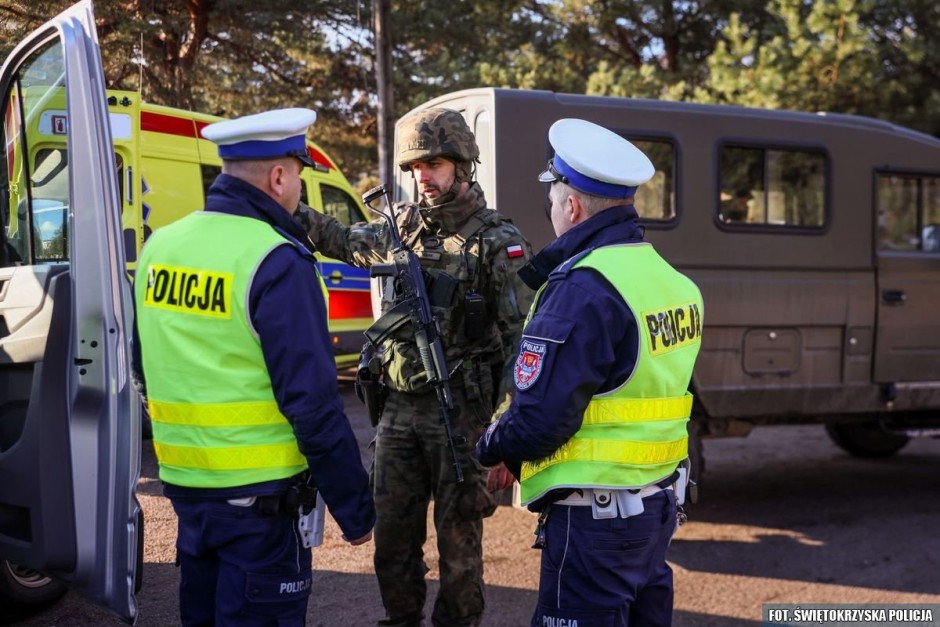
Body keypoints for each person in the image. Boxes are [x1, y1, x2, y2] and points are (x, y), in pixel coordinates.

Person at [132, 108, 375, 626]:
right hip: (260, 507)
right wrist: (355, 508)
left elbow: (143, 357)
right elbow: (312, 403)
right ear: (280, 176)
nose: (300, 195)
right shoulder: (276, 260)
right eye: (300, 179)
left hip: (186, 492)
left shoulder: (159, 248)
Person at [299, 107, 534, 627]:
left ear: (462, 164)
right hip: (399, 412)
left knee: (460, 552)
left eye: (433, 164)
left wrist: (505, 430)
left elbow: (523, 344)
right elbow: (341, 241)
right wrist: (288, 208)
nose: (422, 177)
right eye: (414, 168)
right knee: (392, 543)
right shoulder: (400, 226)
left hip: (462, 417)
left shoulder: (497, 241)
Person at [475, 118, 704, 627]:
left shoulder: (584, 287)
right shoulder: (671, 281)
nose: (552, 208)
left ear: (571, 206)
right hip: (655, 509)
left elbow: (540, 421)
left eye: (553, 197)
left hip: (596, 524)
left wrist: (491, 446)